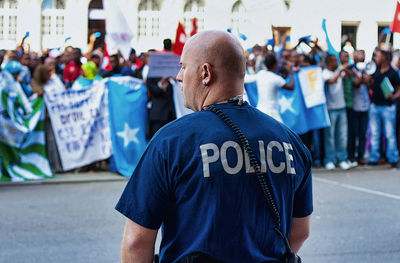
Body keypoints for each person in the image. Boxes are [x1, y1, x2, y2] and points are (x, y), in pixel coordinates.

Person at [116, 30, 312, 263]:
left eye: (183, 67)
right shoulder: (290, 141)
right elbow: (300, 232)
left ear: (205, 73)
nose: (178, 76)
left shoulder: (170, 141)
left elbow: (136, 242)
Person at [368, 49, 400, 168]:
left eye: (378, 56)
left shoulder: (393, 72)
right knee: (375, 134)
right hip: (375, 106)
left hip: (388, 107)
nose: (376, 57)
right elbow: (369, 82)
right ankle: (373, 158)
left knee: (389, 134)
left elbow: (398, 89)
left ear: (385, 57)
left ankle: (393, 159)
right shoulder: (374, 69)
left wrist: (394, 96)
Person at [245, 52, 293, 122]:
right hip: (272, 114)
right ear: (275, 64)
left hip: (260, 111)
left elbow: (246, 79)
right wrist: (290, 73)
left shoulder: (261, 74)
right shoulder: (276, 78)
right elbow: (291, 87)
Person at [322, 54, 351, 170]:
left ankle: (342, 159)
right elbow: (332, 81)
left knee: (342, 136)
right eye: (334, 61)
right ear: (328, 62)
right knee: (330, 137)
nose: (336, 62)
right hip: (330, 109)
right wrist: (340, 69)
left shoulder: (339, 71)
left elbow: (349, 76)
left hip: (341, 107)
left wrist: (348, 69)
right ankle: (329, 160)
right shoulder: (324, 73)